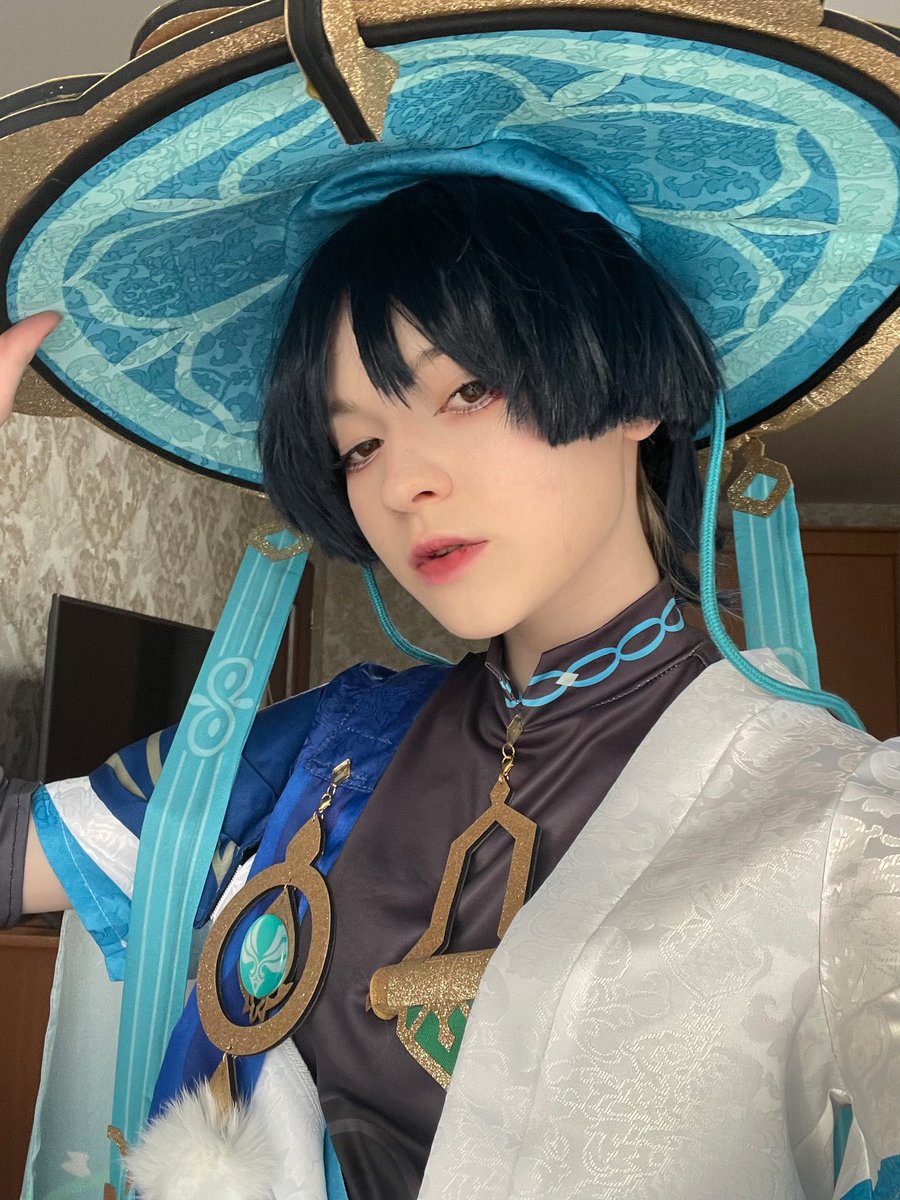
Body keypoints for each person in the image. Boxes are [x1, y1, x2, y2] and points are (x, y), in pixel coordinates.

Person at [0, 7, 898, 1200]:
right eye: (358, 444)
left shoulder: (840, 821)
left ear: (635, 386)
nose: (403, 483)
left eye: (467, 390)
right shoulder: (317, 746)